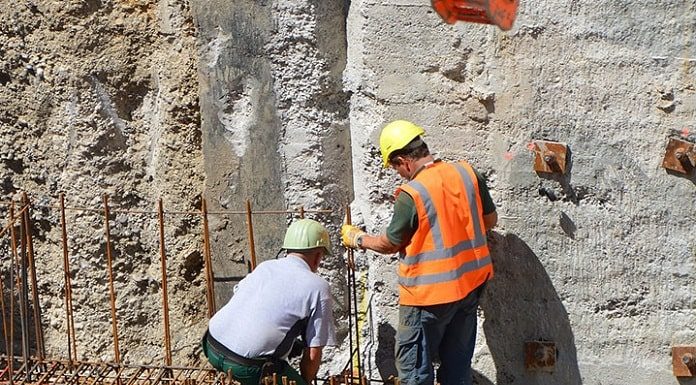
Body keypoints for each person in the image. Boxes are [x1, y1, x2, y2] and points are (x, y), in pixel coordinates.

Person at [341, 120, 497, 385]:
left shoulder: (412, 193)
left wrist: (357, 239)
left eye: (395, 167)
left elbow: (390, 244)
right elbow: (490, 220)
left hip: (428, 298)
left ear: (404, 161)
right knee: (457, 370)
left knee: (414, 371)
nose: (399, 174)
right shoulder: (467, 173)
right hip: (469, 288)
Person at [202, 218, 337, 385]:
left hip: (211, 344)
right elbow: (313, 352)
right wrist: (305, 382)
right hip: (245, 366)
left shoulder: (266, 266)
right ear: (318, 256)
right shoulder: (318, 287)